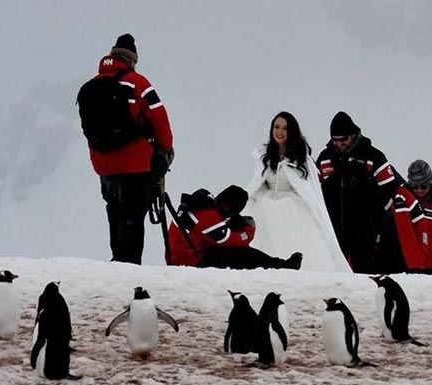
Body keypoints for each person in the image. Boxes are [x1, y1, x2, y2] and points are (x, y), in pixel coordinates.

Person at [86, 33, 174, 264]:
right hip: (135, 164)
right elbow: (159, 118)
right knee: (133, 217)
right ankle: (130, 266)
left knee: (115, 214)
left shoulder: (92, 86)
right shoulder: (138, 82)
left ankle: (118, 261)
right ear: (132, 59)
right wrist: (165, 151)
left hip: (104, 166)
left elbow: (90, 132)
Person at [244, 112, 350, 272]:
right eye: (276, 127)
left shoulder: (301, 159)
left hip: (293, 205)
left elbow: (308, 189)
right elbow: (257, 182)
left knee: (288, 213)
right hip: (267, 203)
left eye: (284, 128)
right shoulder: (263, 156)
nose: (279, 131)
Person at [316, 111, 397, 273]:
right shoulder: (325, 158)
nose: (339, 144)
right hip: (334, 229)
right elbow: (314, 191)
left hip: (366, 231)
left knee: (365, 274)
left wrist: (378, 221)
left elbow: (392, 191)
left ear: (353, 135)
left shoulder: (373, 156)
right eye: (335, 140)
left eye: (343, 139)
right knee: (334, 274)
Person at [166, 185, 303, 270]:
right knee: (240, 254)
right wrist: (248, 231)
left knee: (235, 252)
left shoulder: (200, 207)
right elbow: (231, 241)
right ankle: (282, 266)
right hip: (190, 263)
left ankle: (279, 265)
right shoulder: (209, 216)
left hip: (182, 257)